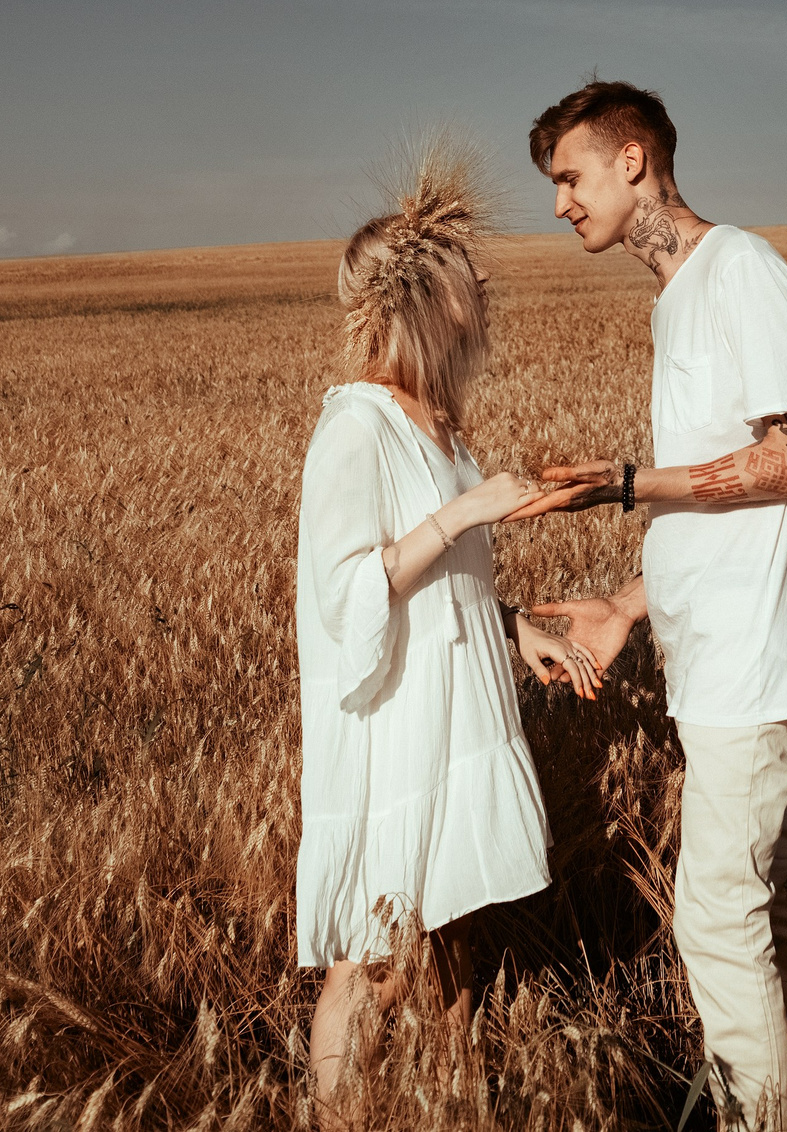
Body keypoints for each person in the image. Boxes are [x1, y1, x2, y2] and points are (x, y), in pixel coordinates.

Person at [523, 80, 787, 1130]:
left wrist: (627, 483)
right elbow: (717, 502)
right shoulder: (676, 296)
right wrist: (628, 604)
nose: (561, 203)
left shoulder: (738, 268)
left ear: (633, 159)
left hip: (755, 659)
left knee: (714, 918)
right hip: (715, 653)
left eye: (570, 176)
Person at [293, 142, 603, 1122]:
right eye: (470, 265)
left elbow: (440, 580)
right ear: (429, 293)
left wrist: (515, 628)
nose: (488, 275)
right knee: (374, 957)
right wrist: (468, 514)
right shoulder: (357, 426)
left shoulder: (438, 425)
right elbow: (345, 591)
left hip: (455, 703)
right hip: (395, 727)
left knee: (449, 936)